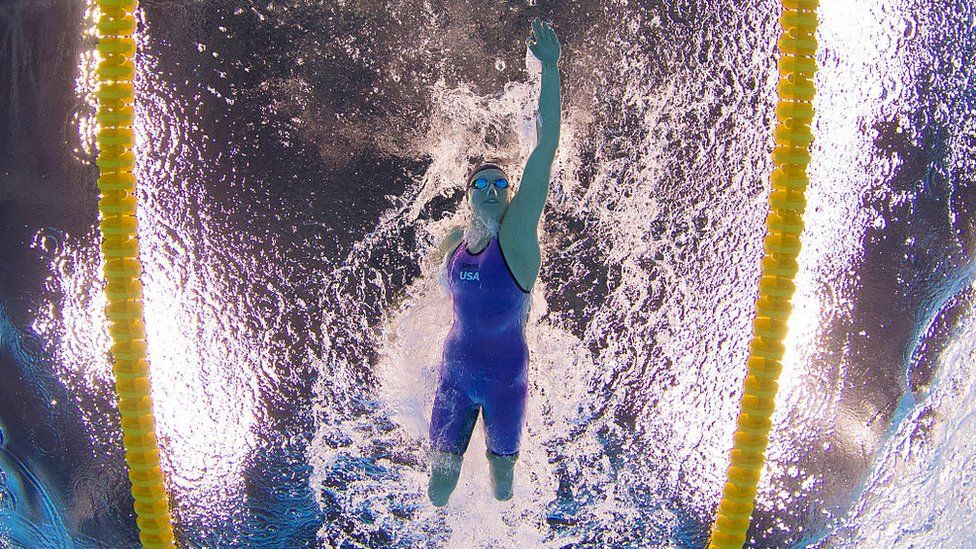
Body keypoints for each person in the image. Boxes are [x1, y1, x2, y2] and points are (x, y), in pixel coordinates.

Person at [427, 17, 561, 506]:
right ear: (467, 195)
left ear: (509, 196)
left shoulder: (519, 238)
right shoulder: (456, 239)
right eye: (480, 183)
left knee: (503, 489)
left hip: (506, 380)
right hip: (454, 376)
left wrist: (550, 68)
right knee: (438, 490)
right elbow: (430, 288)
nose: (490, 188)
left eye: (499, 183)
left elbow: (546, 149)